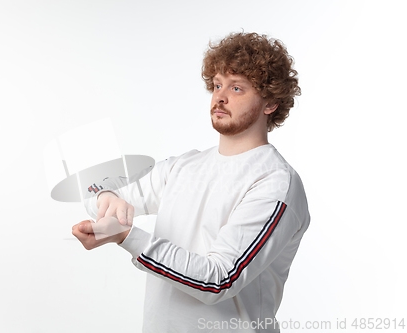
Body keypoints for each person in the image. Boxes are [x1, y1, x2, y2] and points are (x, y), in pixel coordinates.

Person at [72, 31, 310, 333]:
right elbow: (95, 188)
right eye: (217, 85)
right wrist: (107, 197)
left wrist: (126, 236)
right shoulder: (184, 167)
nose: (220, 97)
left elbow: (220, 280)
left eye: (237, 88)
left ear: (270, 104)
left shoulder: (276, 183)